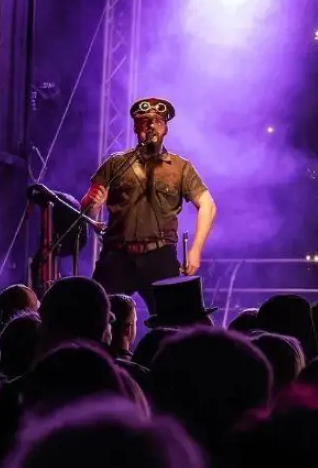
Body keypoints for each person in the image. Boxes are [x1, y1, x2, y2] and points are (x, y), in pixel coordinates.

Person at [82, 97, 217, 311]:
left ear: (165, 130)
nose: (152, 126)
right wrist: (93, 203)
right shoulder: (116, 163)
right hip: (117, 257)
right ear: (136, 127)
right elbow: (89, 204)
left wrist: (195, 250)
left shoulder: (180, 167)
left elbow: (207, 205)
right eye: (145, 122)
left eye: (158, 122)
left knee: (172, 322)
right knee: (96, 316)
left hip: (159, 257)